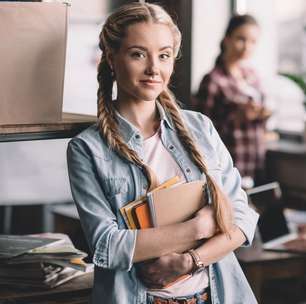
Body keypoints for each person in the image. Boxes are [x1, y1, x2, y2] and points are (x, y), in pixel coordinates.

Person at [67, 3, 259, 304]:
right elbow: (108, 246)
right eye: (138, 54)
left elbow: (243, 217)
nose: (154, 69)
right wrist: (199, 227)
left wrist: (191, 259)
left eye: (164, 55)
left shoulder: (201, 129)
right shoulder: (87, 149)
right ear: (113, 60)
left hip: (218, 294)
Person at [193, 14, 271, 186]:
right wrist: (236, 118)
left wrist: (263, 113)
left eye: (253, 41)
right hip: (228, 164)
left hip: (255, 162)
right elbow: (199, 132)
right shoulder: (213, 80)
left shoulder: (253, 76)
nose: (247, 46)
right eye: (241, 39)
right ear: (227, 39)